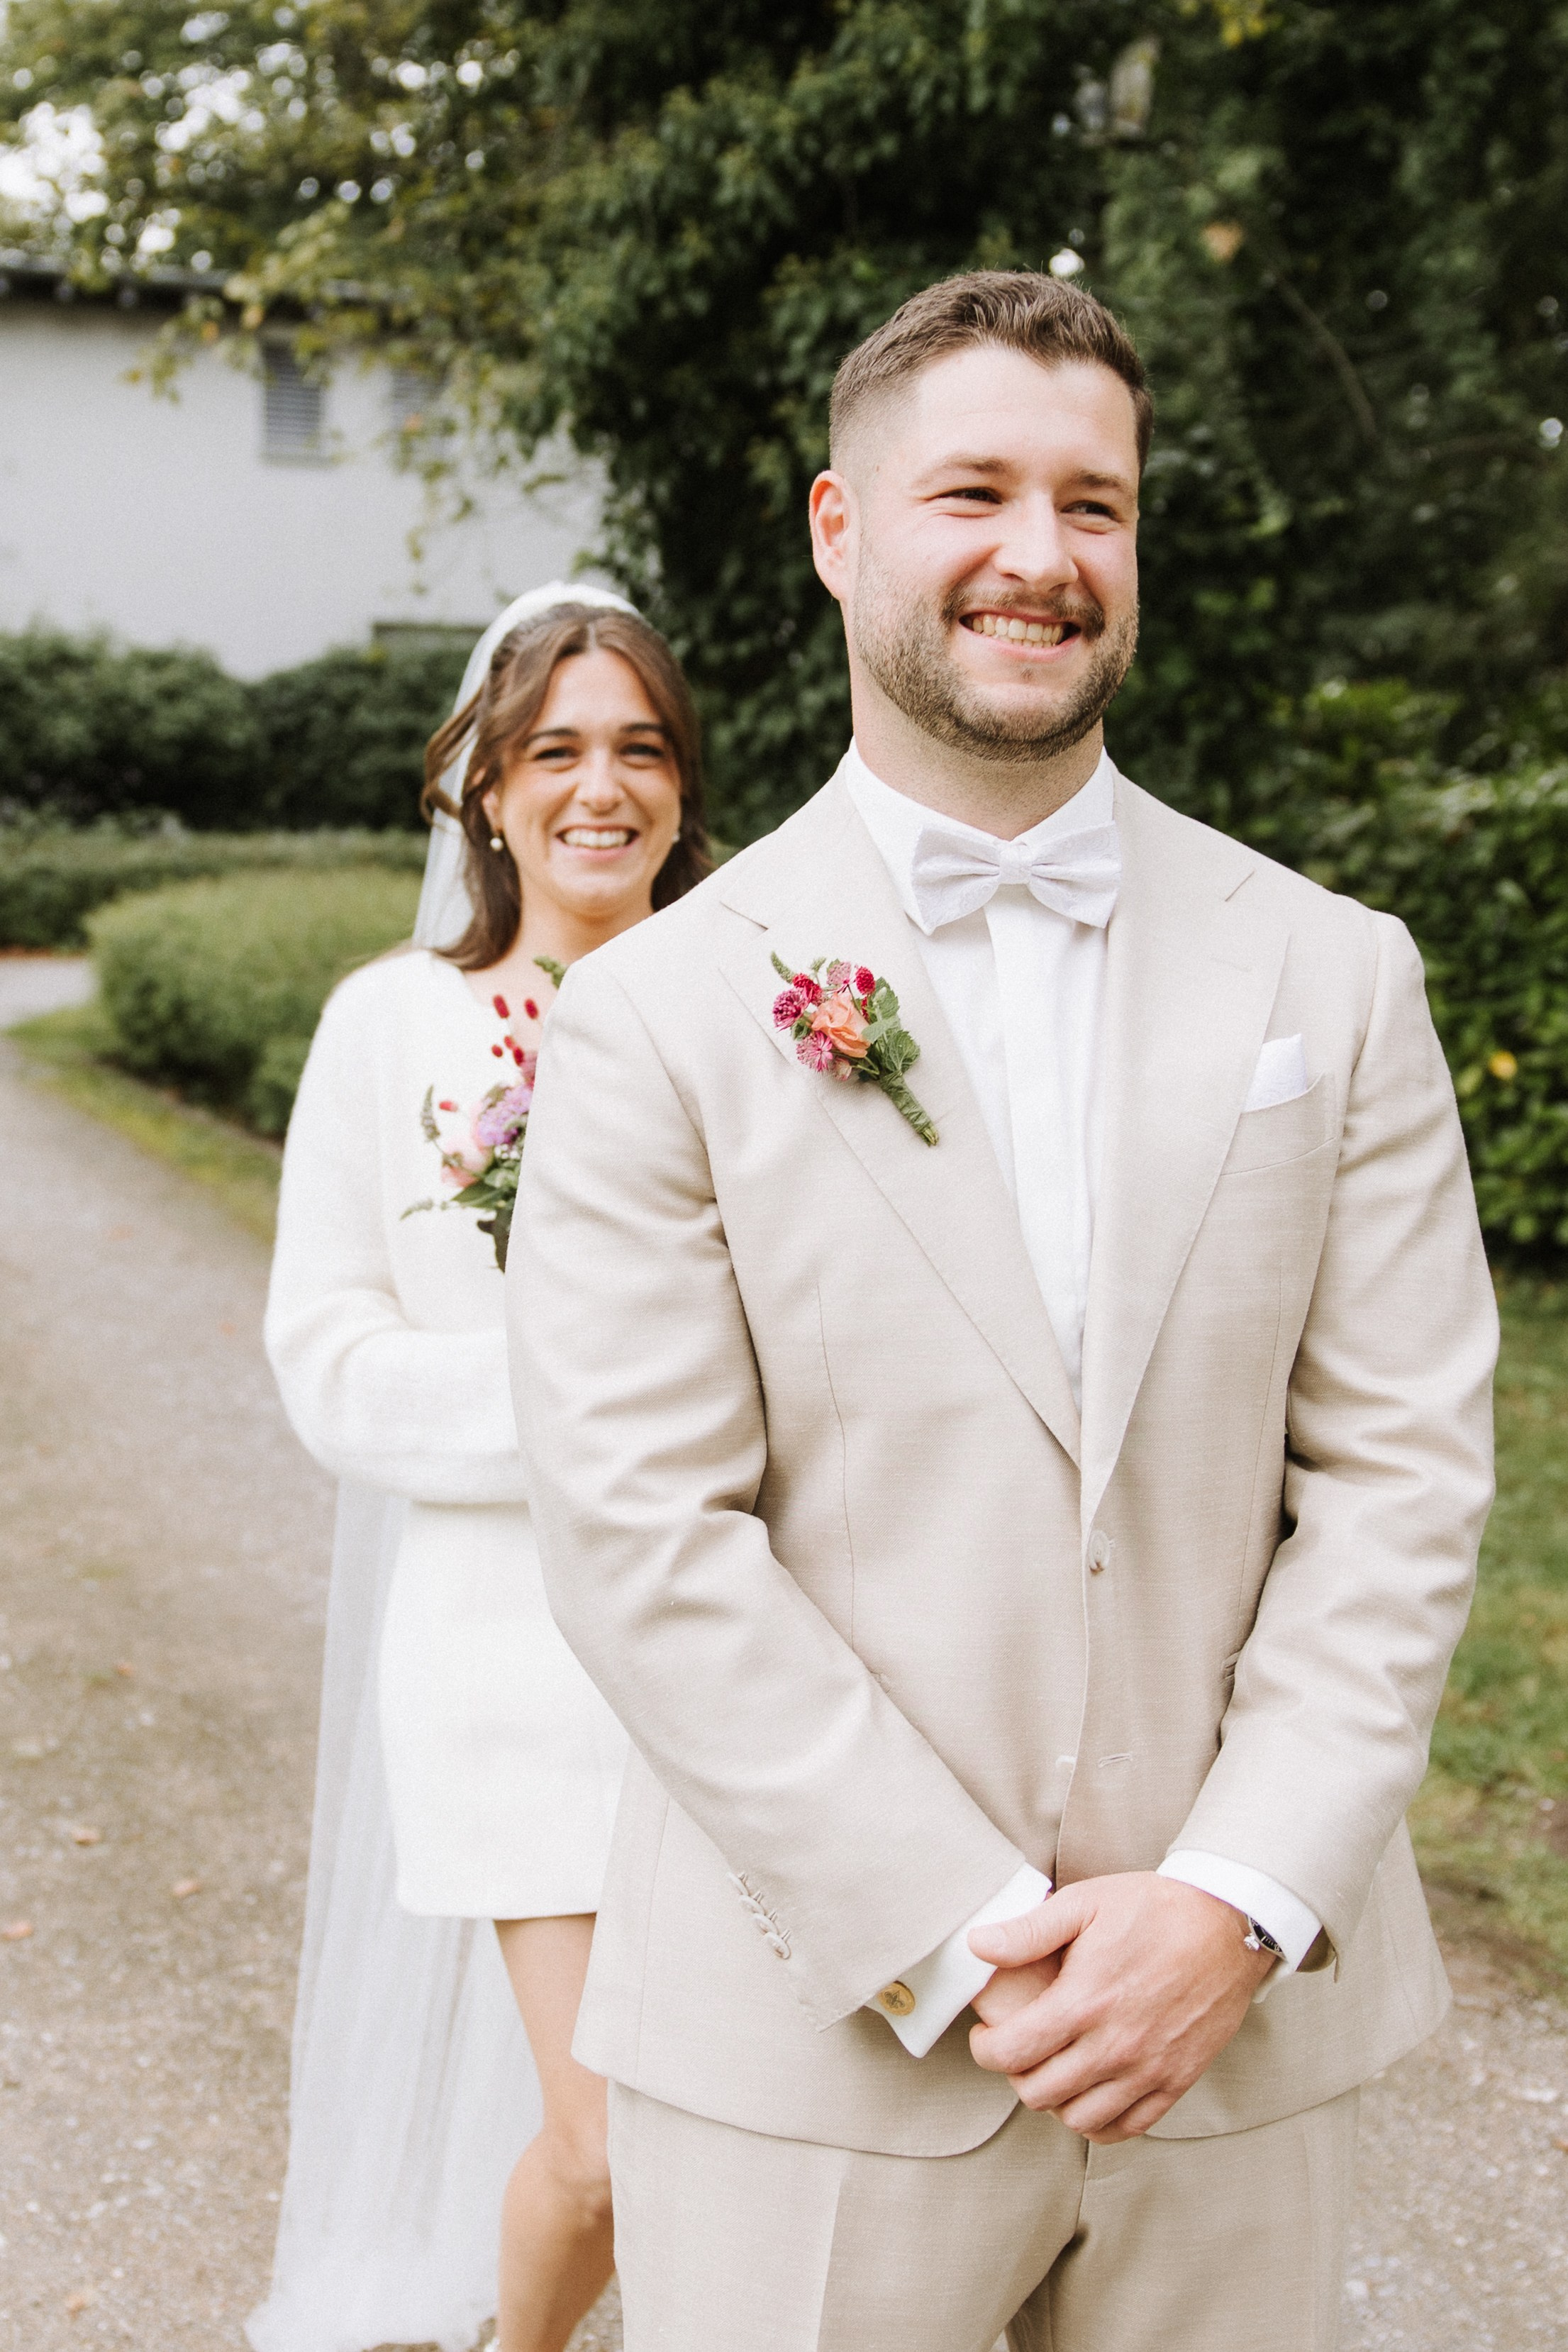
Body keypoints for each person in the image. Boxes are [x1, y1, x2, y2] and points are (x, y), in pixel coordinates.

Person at [506, 275, 1499, 2351]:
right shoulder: (659, 1015)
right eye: (972, 490)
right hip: (812, 2051)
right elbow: (643, 1536)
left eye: (1094, 504)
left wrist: (1230, 1899)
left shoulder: (1334, 975)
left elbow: (1402, 1472)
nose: (1039, 558)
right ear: (836, 528)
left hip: (1227, 2051)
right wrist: (971, 1944)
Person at [250, 582, 709, 2352]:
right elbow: (332, 1363)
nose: (603, 787)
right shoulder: (393, 1026)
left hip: (759, 1655)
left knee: (753, 2149)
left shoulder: (781, 1005)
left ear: (680, 785)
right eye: (558, 750)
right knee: (604, 2150)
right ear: (487, 789)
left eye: (642, 749)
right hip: (509, 1663)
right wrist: (586, 1404)